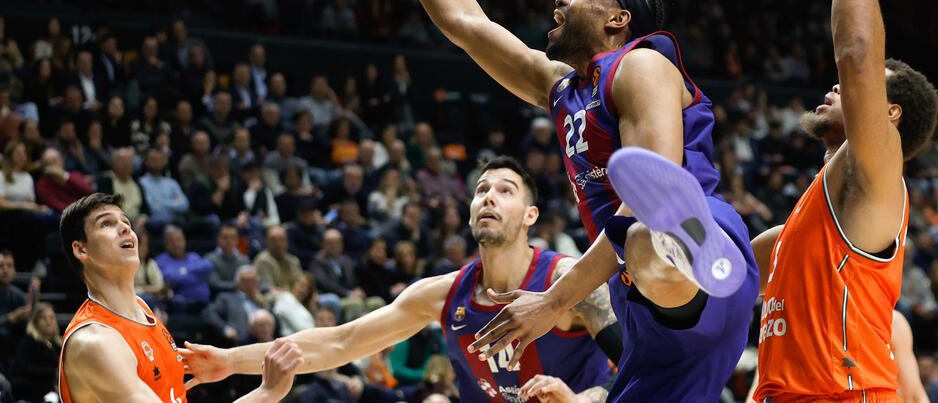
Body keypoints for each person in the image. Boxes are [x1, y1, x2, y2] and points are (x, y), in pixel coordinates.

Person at [326, 0, 758, 400]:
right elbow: (466, 25)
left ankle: (687, 246)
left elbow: (658, 178)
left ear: (618, 18)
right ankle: (676, 260)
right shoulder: (561, 87)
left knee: (647, 230)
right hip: (643, 300)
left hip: (680, 243)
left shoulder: (642, 65)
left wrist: (554, 302)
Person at [181, 157, 620, 401]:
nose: (488, 196)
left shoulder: (566, 280)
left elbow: (643, 363)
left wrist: (586, 400)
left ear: (530, 216)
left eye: (505, 190)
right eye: (481, 189)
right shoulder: (443, 294)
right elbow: (339, 342)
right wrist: (228, 361)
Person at [750, 0, 938, 401]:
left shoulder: (878, 172)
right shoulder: (804, 225)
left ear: (888, 114)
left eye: (863, 90)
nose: (838, 87)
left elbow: (856, 53)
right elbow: (726, 268)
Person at [56, 192, 305, 402]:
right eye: (106, 224)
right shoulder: (95, 341)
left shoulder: (142, 310)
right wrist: (266, 393)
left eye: (126, 222)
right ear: (81, 249)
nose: (125, 228)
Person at [10, 302, 61, 401]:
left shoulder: (57, 344)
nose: (48, 322)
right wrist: (54, 374)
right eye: (43, 318)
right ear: (35, 321)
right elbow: (26, 369)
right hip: (31, 390)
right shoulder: (28, 341)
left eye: (51, 318)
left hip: (51, 388)